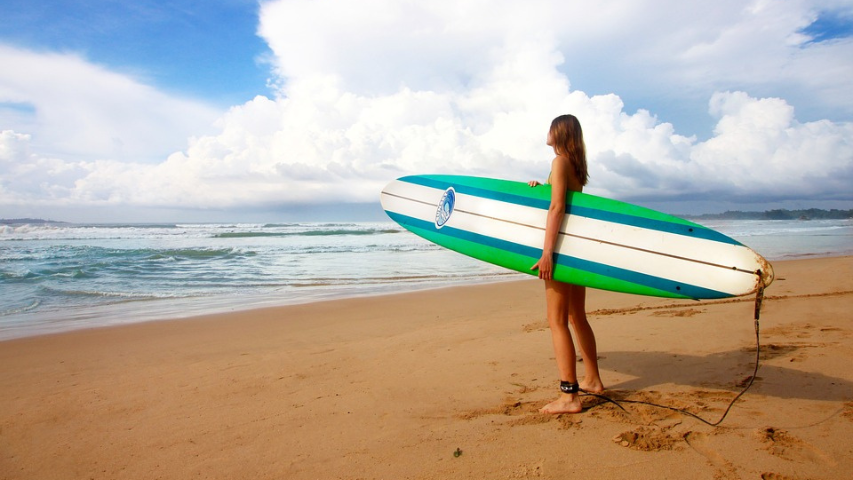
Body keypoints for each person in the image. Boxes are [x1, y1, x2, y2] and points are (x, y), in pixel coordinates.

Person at [528, 114, 604, 414]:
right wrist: (539, 188)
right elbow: (561, 200)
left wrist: (547, 253)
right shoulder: (574, 165)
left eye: (550, 128)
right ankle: (593, 380)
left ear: (558, 133)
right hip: (576, 251)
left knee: (557, 321)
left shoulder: (559, 162)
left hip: (559, 250)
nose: (546, 133)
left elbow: (558, 207)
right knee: (577, 317)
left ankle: (569, 396)